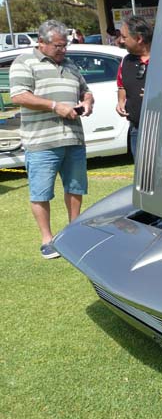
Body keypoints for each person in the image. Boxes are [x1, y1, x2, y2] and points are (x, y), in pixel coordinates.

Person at [9, 20, 94, 259]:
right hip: (41, 142)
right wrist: (56, 106)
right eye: (58, 46)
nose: (63, 50)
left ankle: (74, 233)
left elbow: (86, 90)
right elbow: (19, 96)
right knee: (41, 192)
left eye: (65, 45)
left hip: (73, 139)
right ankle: (47, 240)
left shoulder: (70, 64)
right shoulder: (24, 62)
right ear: (41, 42)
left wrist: (87, 102)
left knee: (75, 188)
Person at [115, 16, 152, 158]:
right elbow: (121, 86)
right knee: (142, 172)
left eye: (124, 37)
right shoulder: (126, 61)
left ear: (139, 38)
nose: (121, 41)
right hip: (137, 130)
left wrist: (155, 94)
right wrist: (120, 102)